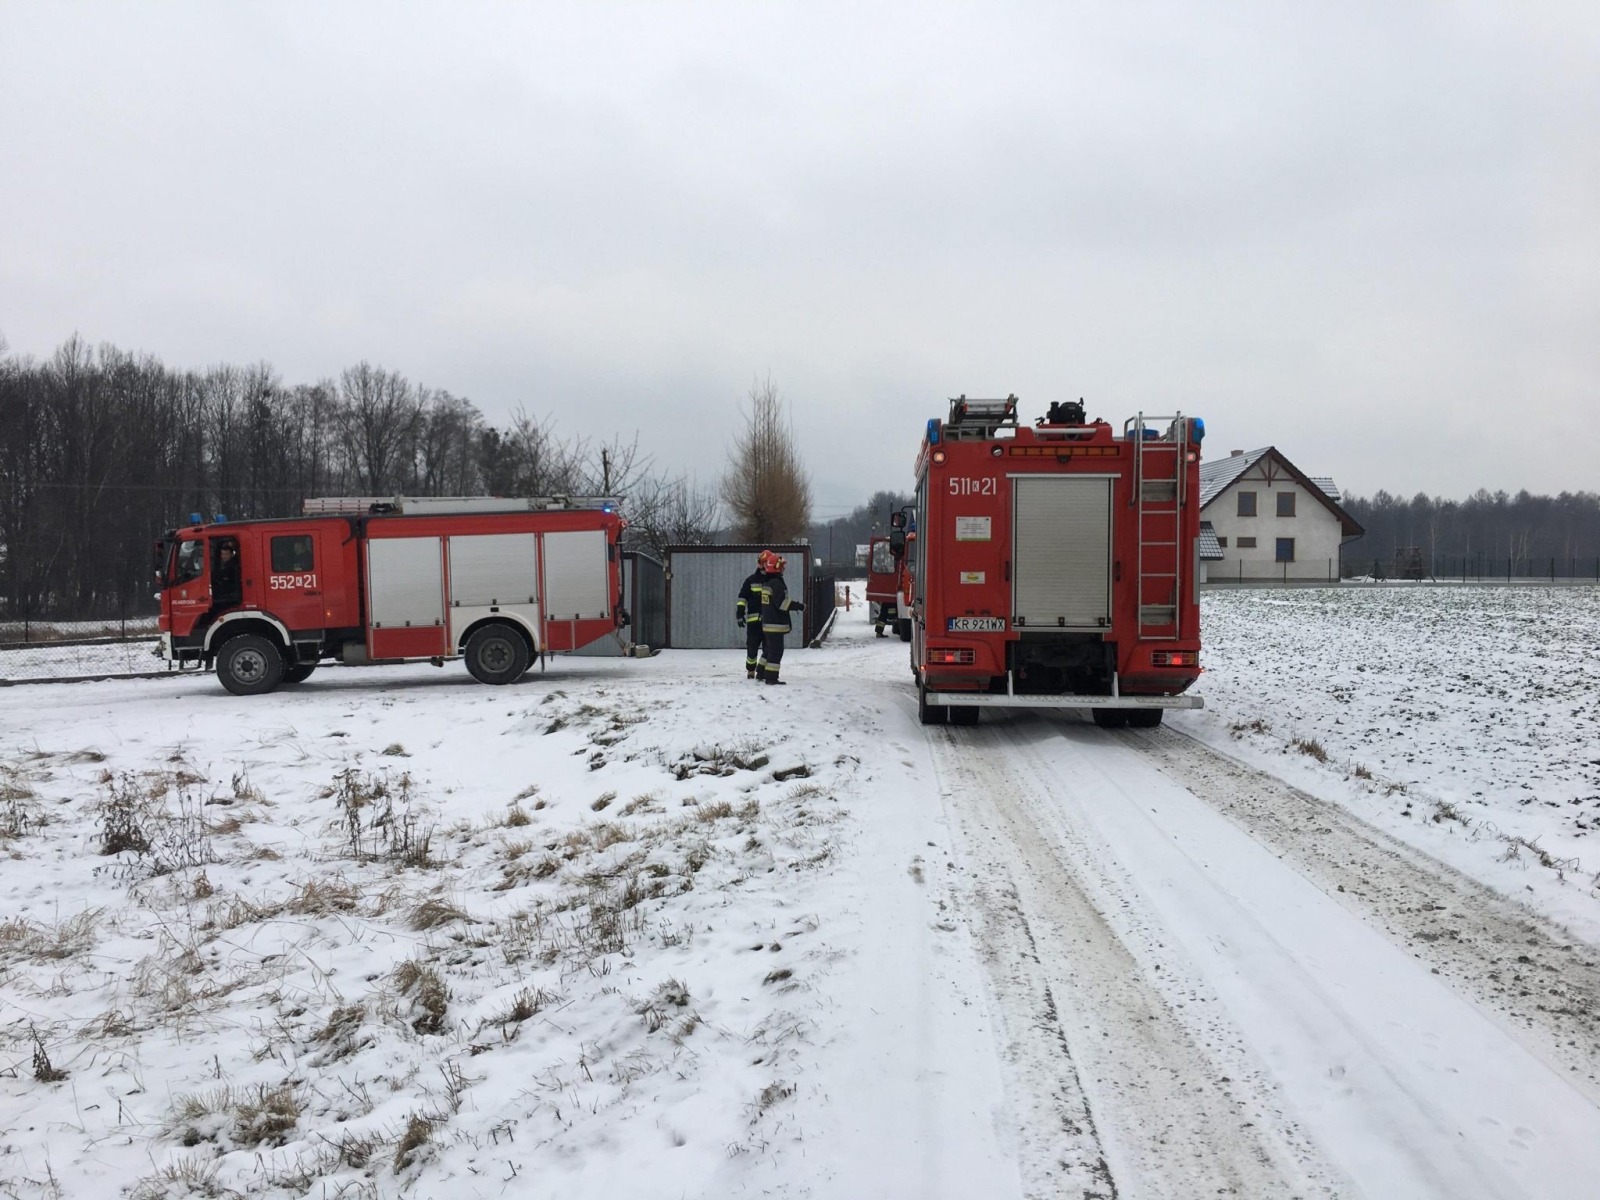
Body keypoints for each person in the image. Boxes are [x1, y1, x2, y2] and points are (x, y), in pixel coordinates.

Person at [756, 549, 804, 685]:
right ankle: (771, 678)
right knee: (776, 652)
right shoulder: (776, 583)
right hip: (775, 624)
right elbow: (782, 604)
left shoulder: (767, 583)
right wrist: (799, 606)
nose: (783, 568)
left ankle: (761, 672)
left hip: (768, 623)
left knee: (768, 650)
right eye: (782, 566)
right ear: (777, 567)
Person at [736, 554, 767, 680]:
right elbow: (743, 598)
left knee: (768, 648)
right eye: (764, 562)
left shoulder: (774, 580)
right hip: (754, 622)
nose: (765, 565)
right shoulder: (750, 580)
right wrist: (740, 613)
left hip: (769, 622)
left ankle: (763, 670)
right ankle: (750, 670)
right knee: (752, 647)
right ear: (759, 564)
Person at [213, 539, 242, 605]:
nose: (224, 556)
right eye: (222, 554)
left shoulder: (231, 566)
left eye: (226, 554)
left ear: (231, 554)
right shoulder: (228, 564)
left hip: (232, 593)